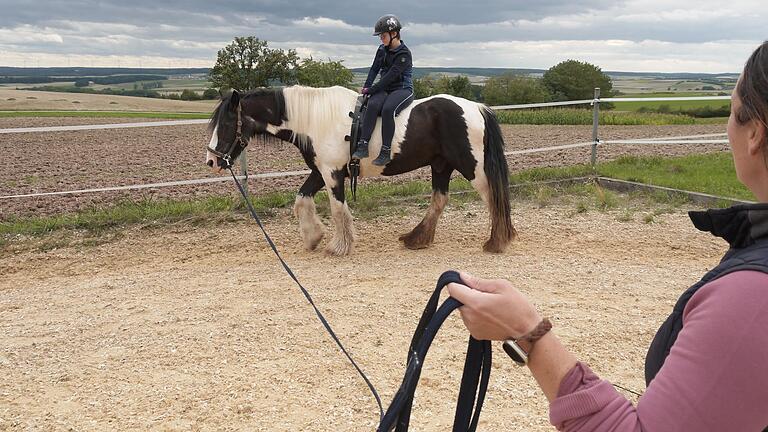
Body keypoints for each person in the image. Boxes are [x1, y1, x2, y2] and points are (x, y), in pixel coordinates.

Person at [447, 41, 768, 431]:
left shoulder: (752, 298)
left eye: (733, 112)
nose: (727, 126)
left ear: (755, 133)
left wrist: (528, 333)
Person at [351, 14, 414, 166]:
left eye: (383, 35)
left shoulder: (404, 54)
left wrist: (371, 90)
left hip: (402, 89)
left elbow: (389, 78)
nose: (381, 39)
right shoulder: (382, 49)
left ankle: (386, 151)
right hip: (385, 88)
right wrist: (366, 88)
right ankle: (363, 145)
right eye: (380, 36)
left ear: (394, 34)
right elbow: (374, 70)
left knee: (387, 110)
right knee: (372, 105)